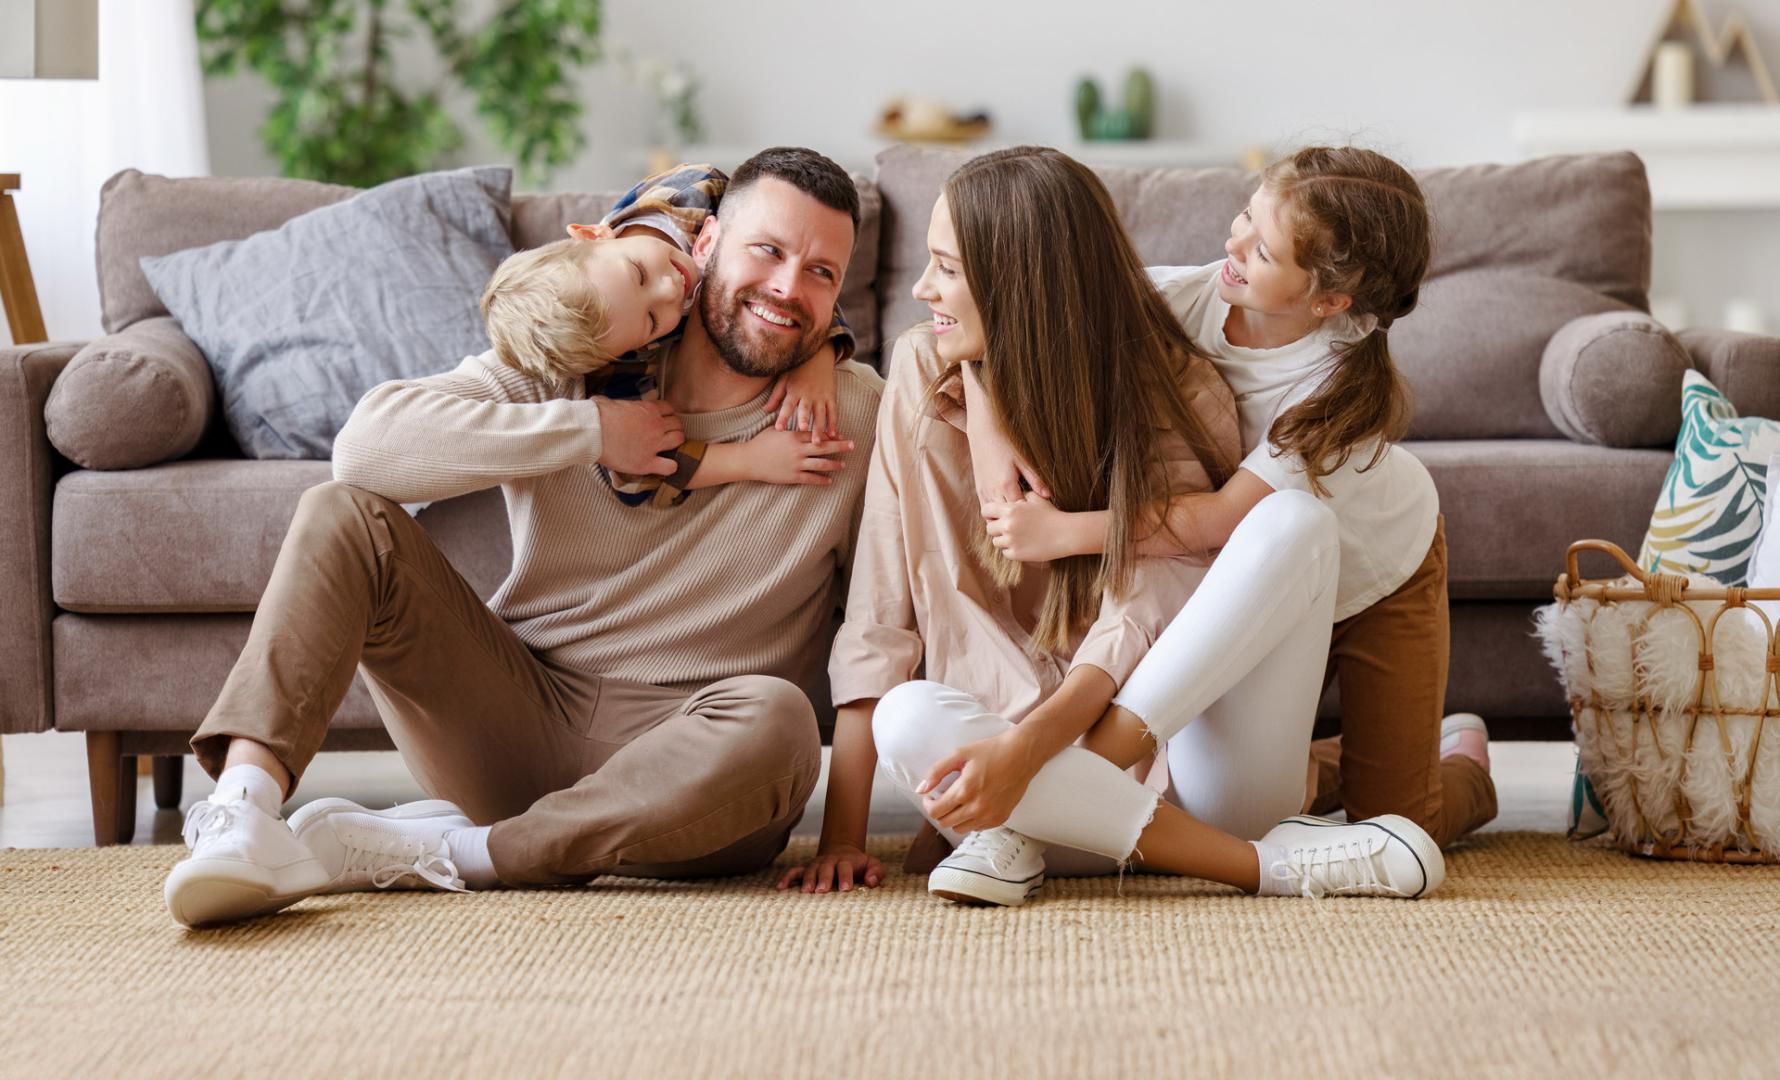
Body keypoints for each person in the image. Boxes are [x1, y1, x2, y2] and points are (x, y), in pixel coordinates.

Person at [162, 147, 883, 929]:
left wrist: (846, 836)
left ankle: (462, 852)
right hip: (519, 715)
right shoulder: (585, 347)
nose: (788, 288)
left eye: (822, 273)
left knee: (780, 719)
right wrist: (590, 430)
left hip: (694, 768)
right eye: (767, 250)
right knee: (342, 515)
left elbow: (879, 625)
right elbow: (365, 452)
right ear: (704, 245)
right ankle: (242, 814)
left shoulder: (856, 414)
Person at [781, 146, 1443, 908]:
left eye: (948, 269)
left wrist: (1033, 750)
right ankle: (1167, 837)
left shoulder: (1226, 391)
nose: (920, 288)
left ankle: (1071, 827)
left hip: (1259, 645)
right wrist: (842, 838)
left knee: (1401, 801)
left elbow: (1182, 563)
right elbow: (877, 616)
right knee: (906, 718)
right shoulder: (942, 364)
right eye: (1245, 219)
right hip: (1020, 764)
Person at [979, 146, 1498, 854]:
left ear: (1328, 302)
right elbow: (993, 334)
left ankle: (1461, 762)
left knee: (1401, 824)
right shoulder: (1178, 300)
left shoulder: (1334, 392)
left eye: (1263, 251)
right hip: (1267, 580)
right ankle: (1329, 768)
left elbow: (1222, 517)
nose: (1233, 245)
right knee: (1251, 777)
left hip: (1377, 572)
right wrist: (993, 434)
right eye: (1244, 217)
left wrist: (1063, 531)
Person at [480, 161, 860, 508]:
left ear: (595, 235)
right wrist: (750, 460)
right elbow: (639, 475)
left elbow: (795, 253)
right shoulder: (622, 357)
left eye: (639, 273)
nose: (670, 290)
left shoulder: (694, 191)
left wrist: (819, 355)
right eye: (651, 319)